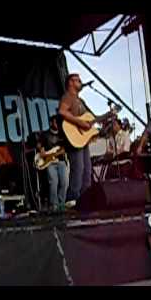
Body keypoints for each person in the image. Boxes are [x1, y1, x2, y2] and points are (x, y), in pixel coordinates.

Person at [58, 73, 94, 208]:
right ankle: (72, 199)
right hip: (73, 139)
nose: (81, 82)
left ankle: (85, 199)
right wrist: (80, 123)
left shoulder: (81, 101)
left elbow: (89, 120)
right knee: (78, 169)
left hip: (82, 140)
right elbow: (62, 111)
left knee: (87, 171)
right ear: (71, 83)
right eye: (78, 80)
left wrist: (106, 118)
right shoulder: (68, 96)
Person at [36, 115, 68, 212]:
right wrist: (41, 149)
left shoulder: (63, 134)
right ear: (51, 123)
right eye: (55, 122)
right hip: (50, 162)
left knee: (64, 182)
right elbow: (39, 144)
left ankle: (61, 204)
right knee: (53, 182)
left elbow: (65, 148)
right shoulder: (45, 134)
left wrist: (57, 153)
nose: (57, 124)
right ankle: (54, 205)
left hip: (61, 161)